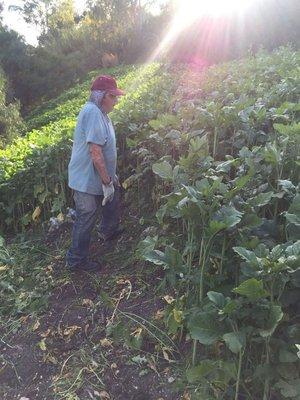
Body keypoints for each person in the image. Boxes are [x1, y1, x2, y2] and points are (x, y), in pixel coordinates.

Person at [66, 75, 125, 271]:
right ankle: (76, 260)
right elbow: (95, 152)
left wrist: (110, 178)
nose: (115, 101)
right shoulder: (92, 112)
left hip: (99, 175)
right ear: (101, 96)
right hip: (85, 178)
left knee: (113, 196)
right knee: (87, 215)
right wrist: (106, 180)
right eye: (112, 97)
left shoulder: (102, 114)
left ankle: (108, 231)